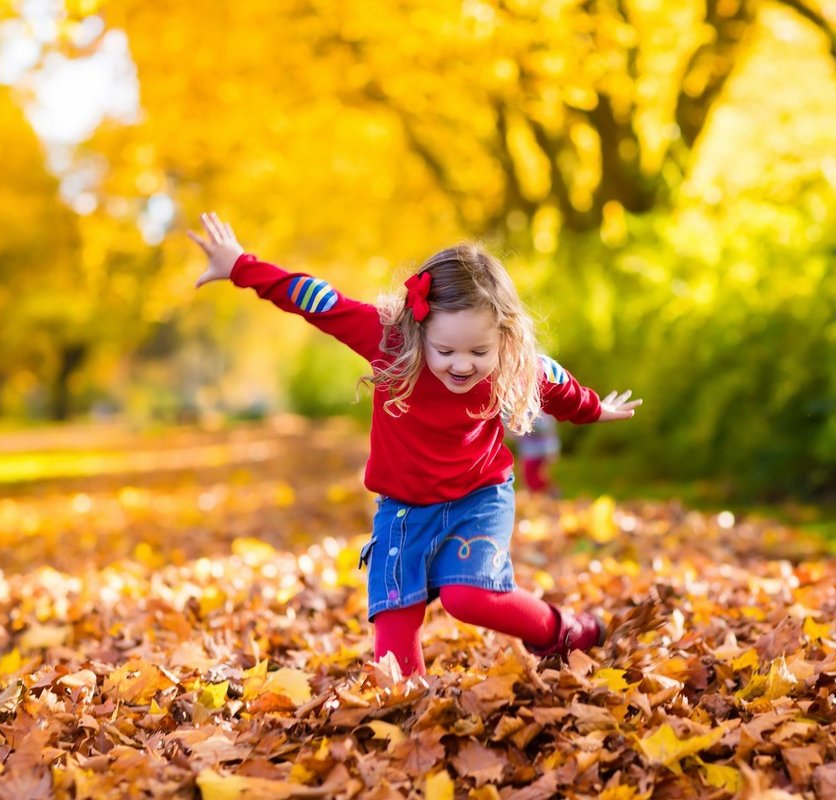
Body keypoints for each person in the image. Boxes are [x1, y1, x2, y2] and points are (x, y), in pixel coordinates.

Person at [189, 212, 643, 676]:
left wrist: (593, 408)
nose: (462, 365)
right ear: (419, 329)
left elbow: (555, 382)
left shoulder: (511, 360)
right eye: (445, 351)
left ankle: (560, 630)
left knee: (469, 596)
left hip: (478, 497)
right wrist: (241, 266)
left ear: (503, 338)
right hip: (403, 511)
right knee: (393, 666)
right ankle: (413, 720)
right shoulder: (388, 341)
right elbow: (317, 299)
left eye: (478, 352)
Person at [513, 412, 561, 496]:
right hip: (528, 450)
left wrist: (525, 425)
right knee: (528, 478)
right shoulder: (523, 406)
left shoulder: (542, 410)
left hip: (543, 450)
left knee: (541, 477)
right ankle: (536, 500)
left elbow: (545, 427)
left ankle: (553, 497)